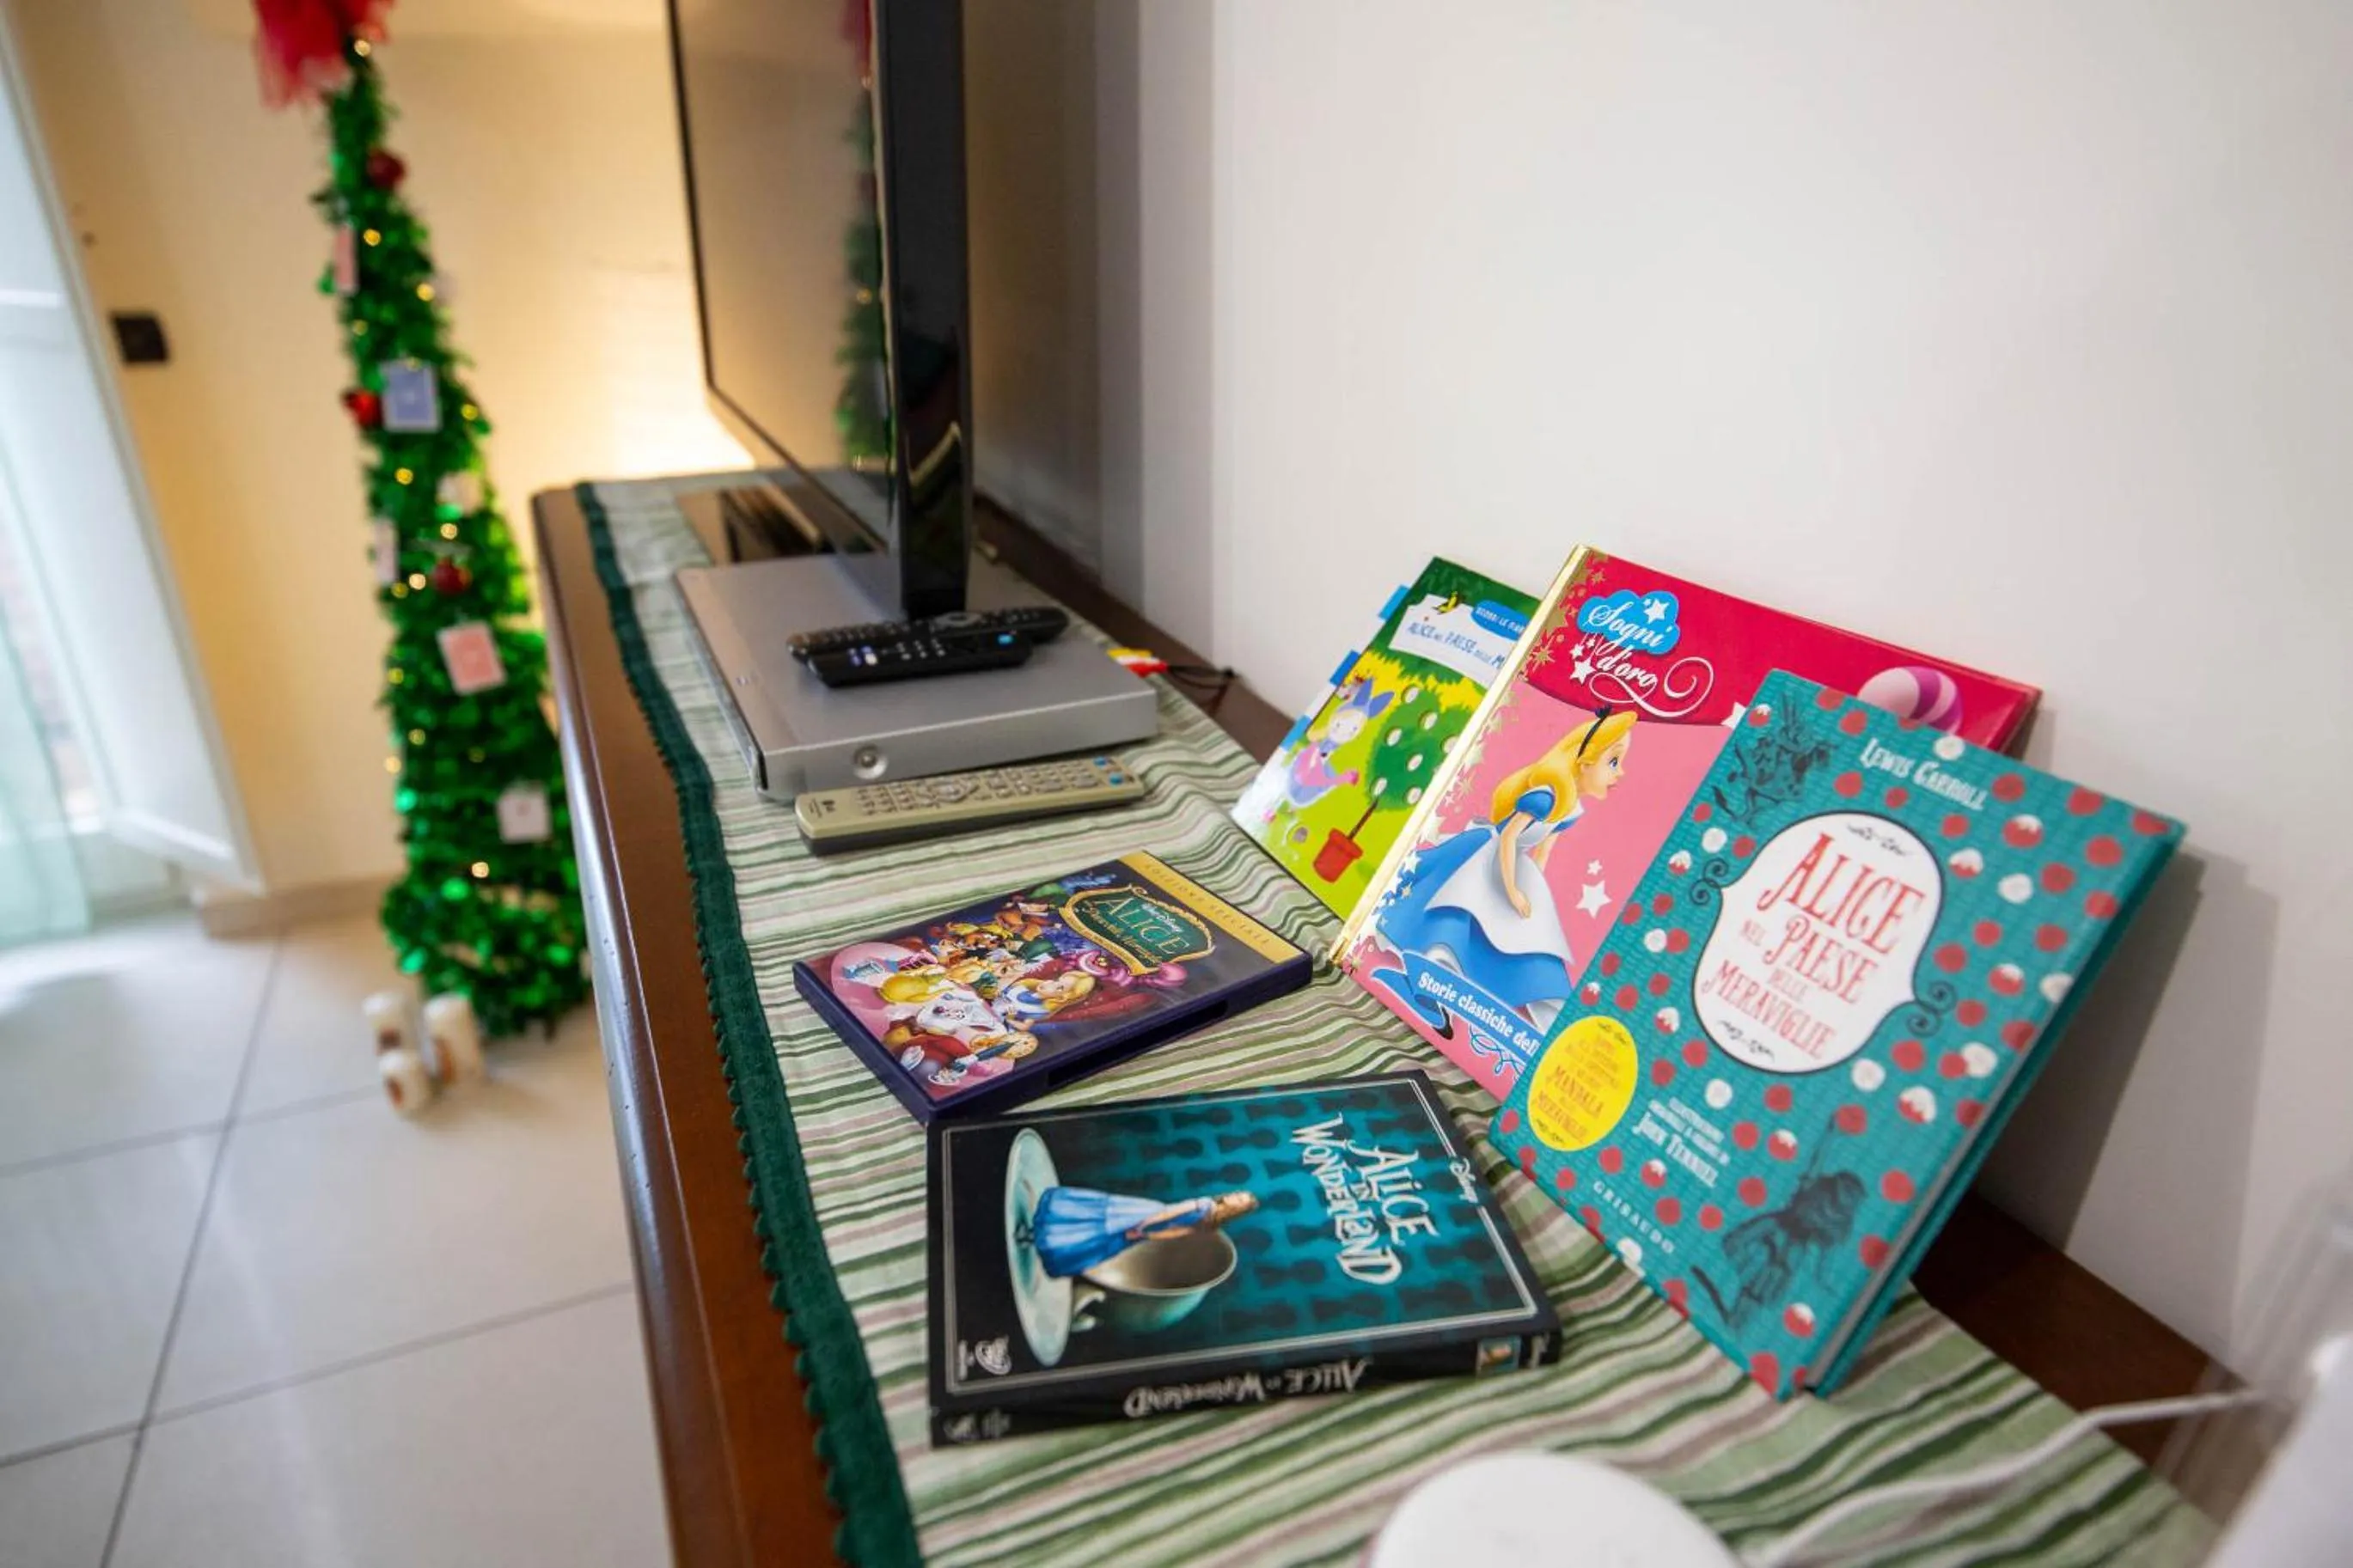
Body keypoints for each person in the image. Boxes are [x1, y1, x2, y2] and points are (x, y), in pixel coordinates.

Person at [1373, 707, 1637, 1033]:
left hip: (1516, 864)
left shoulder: (1571, 809)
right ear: (1586, 760)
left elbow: (1544, 850)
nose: (1620, 773)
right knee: (1455, 912)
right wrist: (1511, 889)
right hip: (1485, 853)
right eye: (1613, 761)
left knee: (1524, 933)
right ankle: (1425, 984)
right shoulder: (1547, 795)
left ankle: (1532, 1006)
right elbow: (1510, 836)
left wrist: (1529, 893)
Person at [1029, 1187, 1259, 1278]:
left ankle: (1049, 1235)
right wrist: (1147, 1234)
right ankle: (1047, 1237)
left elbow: (1171, 1216)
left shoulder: (1206, 1206)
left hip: (1148, 1215)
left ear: (1237, 1208)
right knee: (1102, 1230)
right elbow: (1175, 1228)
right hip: (1150, 1220)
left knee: (1102, 1229)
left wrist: (1144, 1227)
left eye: (1239, 1199)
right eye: (1239, 1194)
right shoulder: (1209, 1221)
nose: (1234, 1196)